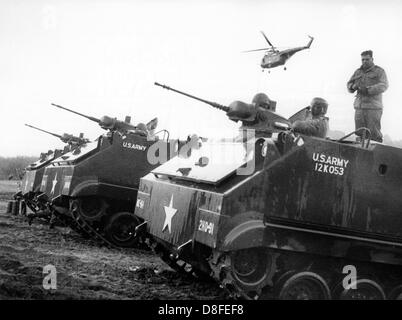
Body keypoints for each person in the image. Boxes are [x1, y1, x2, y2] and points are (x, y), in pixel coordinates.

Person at [347, 50, 388, 142]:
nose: (364, 61)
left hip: (373, 108)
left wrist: (368, 90)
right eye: (363, 59)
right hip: (359, 107)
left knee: (373, 134)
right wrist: (352, 87)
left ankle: (375, 155)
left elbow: (384, 85)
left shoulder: (379, 71)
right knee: (360, 133)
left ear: (372, 59)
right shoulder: (358, 72)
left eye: (367, 59)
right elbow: (349, 84)